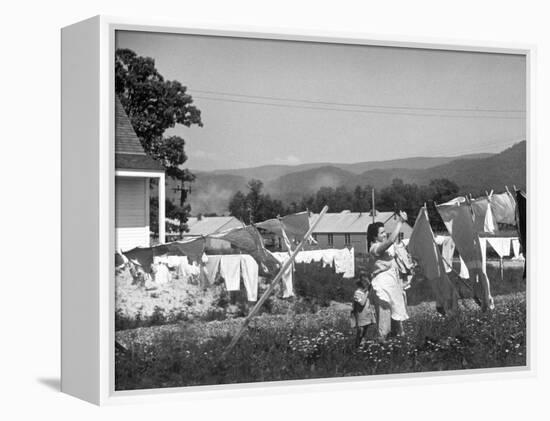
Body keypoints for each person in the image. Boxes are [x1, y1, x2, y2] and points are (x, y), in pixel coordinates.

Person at [366, 211, 409, 341]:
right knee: (384, 323)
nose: (385, 234)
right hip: (383, 287)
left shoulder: (385, 248)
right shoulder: (374, 248)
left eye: (385, 232)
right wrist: (400, 222)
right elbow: (391, 240)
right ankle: (382, 348)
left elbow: (397, 246)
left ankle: (397, 347)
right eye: (382, 233)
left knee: (397, 320)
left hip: (392, 285)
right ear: (374, 236)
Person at [350, 273, 376, 347]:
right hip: (360, 316)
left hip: (366, 315)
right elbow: (362, 303)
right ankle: (357, 346)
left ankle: (361, 346)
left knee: (364, 333)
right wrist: (367, 292)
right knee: (360, 332)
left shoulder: (364, 292)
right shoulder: (357, 293)